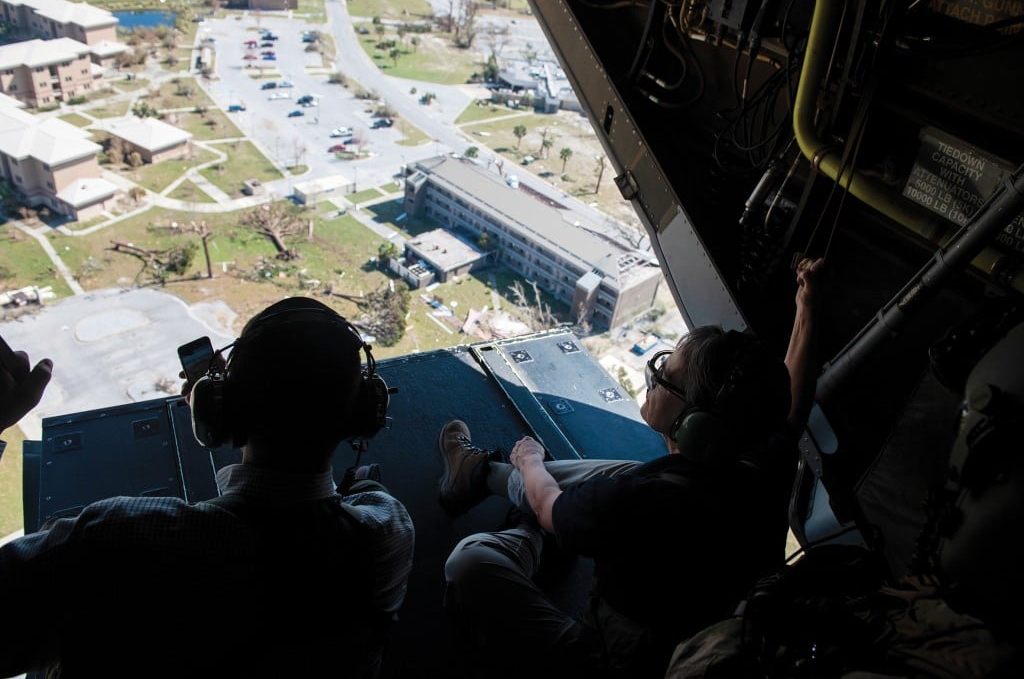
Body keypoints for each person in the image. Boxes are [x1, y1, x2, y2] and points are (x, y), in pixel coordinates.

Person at [436, 258, 824, 678]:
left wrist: (530, 462)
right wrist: (807, 302)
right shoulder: (760, 465)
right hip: (694, 627)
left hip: (616, 659)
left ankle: (516, 521)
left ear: (695, 425)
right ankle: (477, 477)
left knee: (469, 563)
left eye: (667, 375)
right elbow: (792, 403)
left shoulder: (643, 500)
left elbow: (549, 505)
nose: (654, 378)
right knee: (615, 474)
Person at [0, 297, 415, 678]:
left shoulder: (116, 538)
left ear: (217, 412)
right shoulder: (388, 536)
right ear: (366, 413)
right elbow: (321, 511)